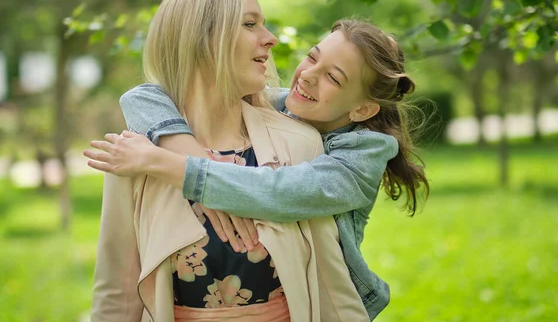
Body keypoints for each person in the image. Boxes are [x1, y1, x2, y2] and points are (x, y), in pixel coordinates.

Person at [86, 18, 431, 320]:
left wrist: (173, 166)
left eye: (334, 78)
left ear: (362, 110)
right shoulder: (289, 106)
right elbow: (140, 97)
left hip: (324, 299)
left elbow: (280, 192)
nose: (309, 75)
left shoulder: (355, 163)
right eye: (312, 56)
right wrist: (186, 149)